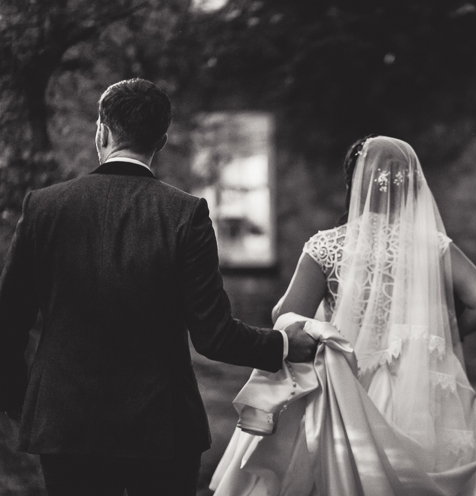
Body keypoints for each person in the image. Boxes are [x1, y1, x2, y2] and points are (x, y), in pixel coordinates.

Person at [0, 78, 317, 496]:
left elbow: (8, 322)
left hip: (65, 425)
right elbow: (214, 335)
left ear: (102, 130)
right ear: (162, 140)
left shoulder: (43, 207)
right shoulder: (185, 214)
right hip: (162, 428)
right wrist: (281, 345)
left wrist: (24, 404)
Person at [211, 135, 476, 495]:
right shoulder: (432, 244)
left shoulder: (328, 246)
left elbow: (285, 314)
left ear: (354, 182)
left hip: (347, 380)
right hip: (419, 385)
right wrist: (437, 338)